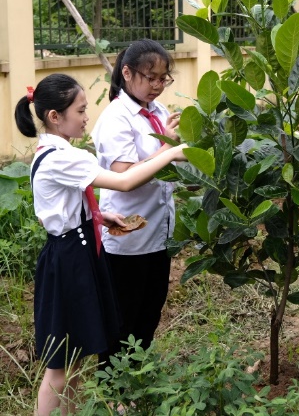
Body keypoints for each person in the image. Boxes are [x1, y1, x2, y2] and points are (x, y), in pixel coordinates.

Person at [14, 74, 187, 416]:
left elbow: (56, 209)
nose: (86, 117)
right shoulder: (63, 157)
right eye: (80, 110)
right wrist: (171, 151)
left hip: (74, 253)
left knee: (74, 358)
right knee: (61, 366)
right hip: (70, 262)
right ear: (54, 117)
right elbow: (124, 181)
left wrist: (97, 216)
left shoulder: (56, 150)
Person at [91, 38, 181, 360]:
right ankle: (113, 393)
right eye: (151, 77)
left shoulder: (157, 111)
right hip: (127, 241)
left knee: (149, 314)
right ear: (127, 73)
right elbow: (124, 176)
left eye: (163, 78)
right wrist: (167, 150)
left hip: (159, 234)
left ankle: (136, 386)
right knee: (122, 321)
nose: (158, 85)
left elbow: (169, 164)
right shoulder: (116, 118)